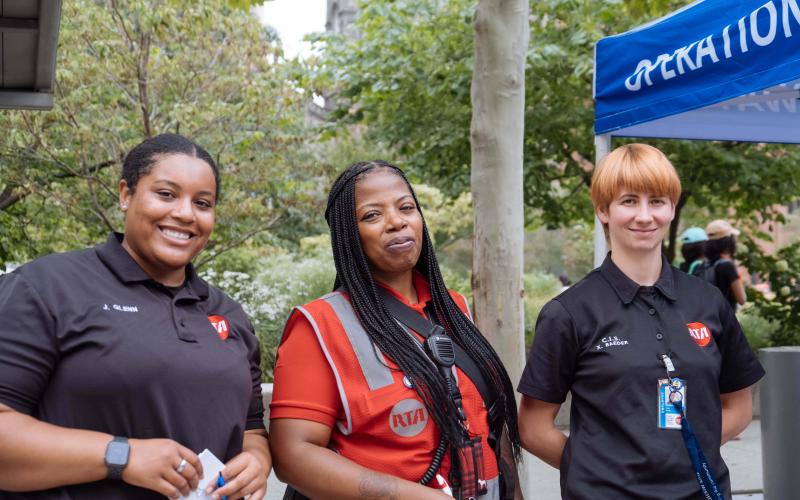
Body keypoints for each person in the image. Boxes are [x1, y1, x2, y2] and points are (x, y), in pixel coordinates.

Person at [0, 134, 270, 499]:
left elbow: (252, 428)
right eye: (166, 194)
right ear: (126, 195)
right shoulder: (46, 288)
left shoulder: (227, 313)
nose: (186, 213)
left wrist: (256, 460)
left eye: (202, 203)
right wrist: (120, 455)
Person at [517, 143, 764, 499]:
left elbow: (739, 407)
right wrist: (601, 470)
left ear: (672, 208)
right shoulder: (568, 313)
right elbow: (533, 427)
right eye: (629, 201)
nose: (645, 216)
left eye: (657, 201)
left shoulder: (708, 301)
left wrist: (682, 454)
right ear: (603, 210)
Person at [269, 160, 522, 500]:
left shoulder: (455, 309)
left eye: (406, 208)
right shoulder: (319, 324)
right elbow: (292, 457)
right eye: (372, 215)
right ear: (348, 235)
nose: (396, 222)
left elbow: (490, 424)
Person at [705, 219, 747, 310]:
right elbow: (742, 299)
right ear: (728, 242)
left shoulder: (706, 264)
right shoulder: (727, 266)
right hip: (725, 319)